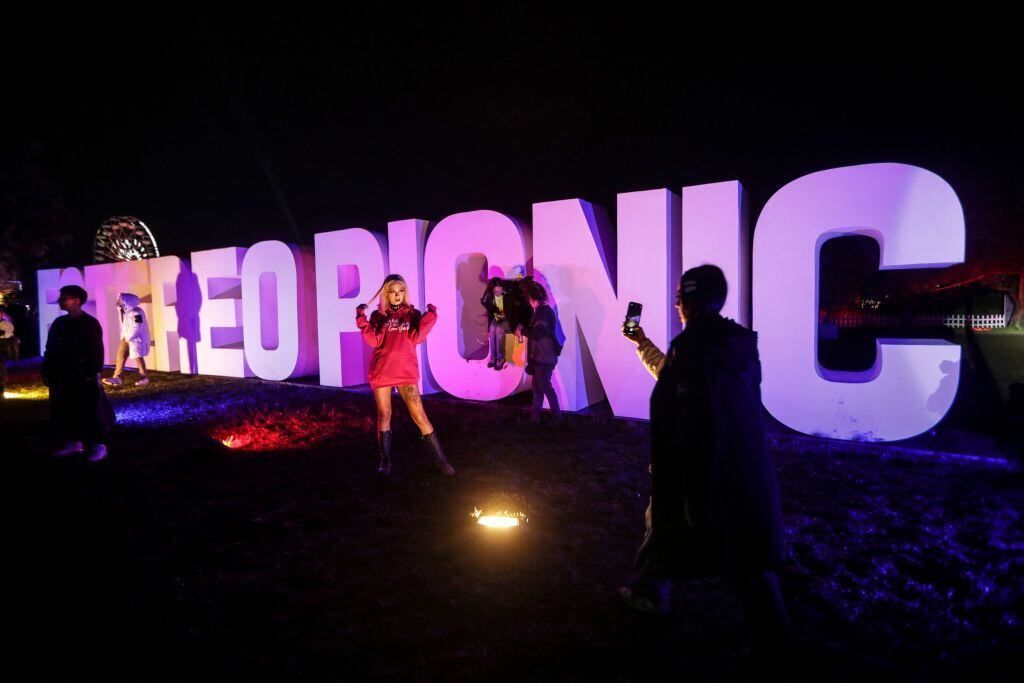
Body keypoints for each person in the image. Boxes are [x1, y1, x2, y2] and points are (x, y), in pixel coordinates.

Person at [619, 264, 792, 666]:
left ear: (692, 299)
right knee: (750, 563)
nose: (676, 300)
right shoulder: (739, 344)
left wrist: (678, 467)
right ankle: (778, 646)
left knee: (672, 524)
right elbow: (687, 383)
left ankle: (777, 652)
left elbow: (680, 394)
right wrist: (642, 343)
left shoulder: (692, 347)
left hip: (706, 469)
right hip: (746, 470)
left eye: (681, 294)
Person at [356, 274, 455, 477]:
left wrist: (430, 316)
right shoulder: (379, 316)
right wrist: (362, 319)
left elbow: (417, 337)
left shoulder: (412, 314)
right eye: (392, 291)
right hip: (382, 371)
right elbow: (374, 341)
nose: (397, 295)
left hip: (406, 372)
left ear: (405, 292)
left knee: (419, 415)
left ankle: (441, 460)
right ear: (386, 293)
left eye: (400, 291)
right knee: (384, 414)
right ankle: (385, 462)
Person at [41, 285, 111, 461]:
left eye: (64, 297)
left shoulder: (90, 324)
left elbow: (96, 351)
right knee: (66, 410)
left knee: (89, 410)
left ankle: (98, 445)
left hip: (82, 375)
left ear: (76, 300)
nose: (60, 300)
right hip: (62, 376)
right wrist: (48, 370)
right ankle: (75, 442)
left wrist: (91, 372)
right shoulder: (60, 323)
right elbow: (50, 348)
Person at [521, 279, 562, 425]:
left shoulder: (542, 312)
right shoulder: (544, 311)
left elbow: (538, 333)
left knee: (544, 387)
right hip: (542, 357)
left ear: (531, 298)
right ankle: (535, 419)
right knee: (538, 389)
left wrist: (522, 331)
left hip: (543, 358)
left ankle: (557, 419)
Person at [480, 277, 531, 370]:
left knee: (499, 329)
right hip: (499, 318)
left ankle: (500, 358)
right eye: (496, 292)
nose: (498, 294)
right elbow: (491, 313)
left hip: (510, 320)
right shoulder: (491, 297)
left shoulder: (508, 296)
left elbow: (515, 313)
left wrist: (518, 327)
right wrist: (488, 329)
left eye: (500, 291)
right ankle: (493, 357)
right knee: (492, 328)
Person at [102, 292, 151, 387]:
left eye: (121, 300)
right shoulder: (126, 312)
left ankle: (144, 377)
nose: (119, 302)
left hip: (135, 339)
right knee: (121, 356)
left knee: (138, 357)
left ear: (127, 301)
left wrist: (129, 337)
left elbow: (137, 326)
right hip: (126, 338)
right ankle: (117, 378)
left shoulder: (137, 312)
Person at [0, 306, 18, 397]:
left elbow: (9, 333)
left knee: (1, 366)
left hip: (2, 346)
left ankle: (2, 387)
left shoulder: (6, 323)